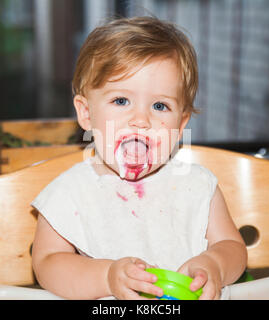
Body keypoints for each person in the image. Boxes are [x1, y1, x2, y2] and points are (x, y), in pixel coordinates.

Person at [31, 16, 247, 300]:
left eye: (160, 105)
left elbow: (232, 245)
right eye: (121, 101)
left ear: (180, 125)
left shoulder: (197, 185)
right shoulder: (70, 192)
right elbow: (47, 264)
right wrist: (106, 278)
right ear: (86, 113)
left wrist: (215, 265)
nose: (141, 120)